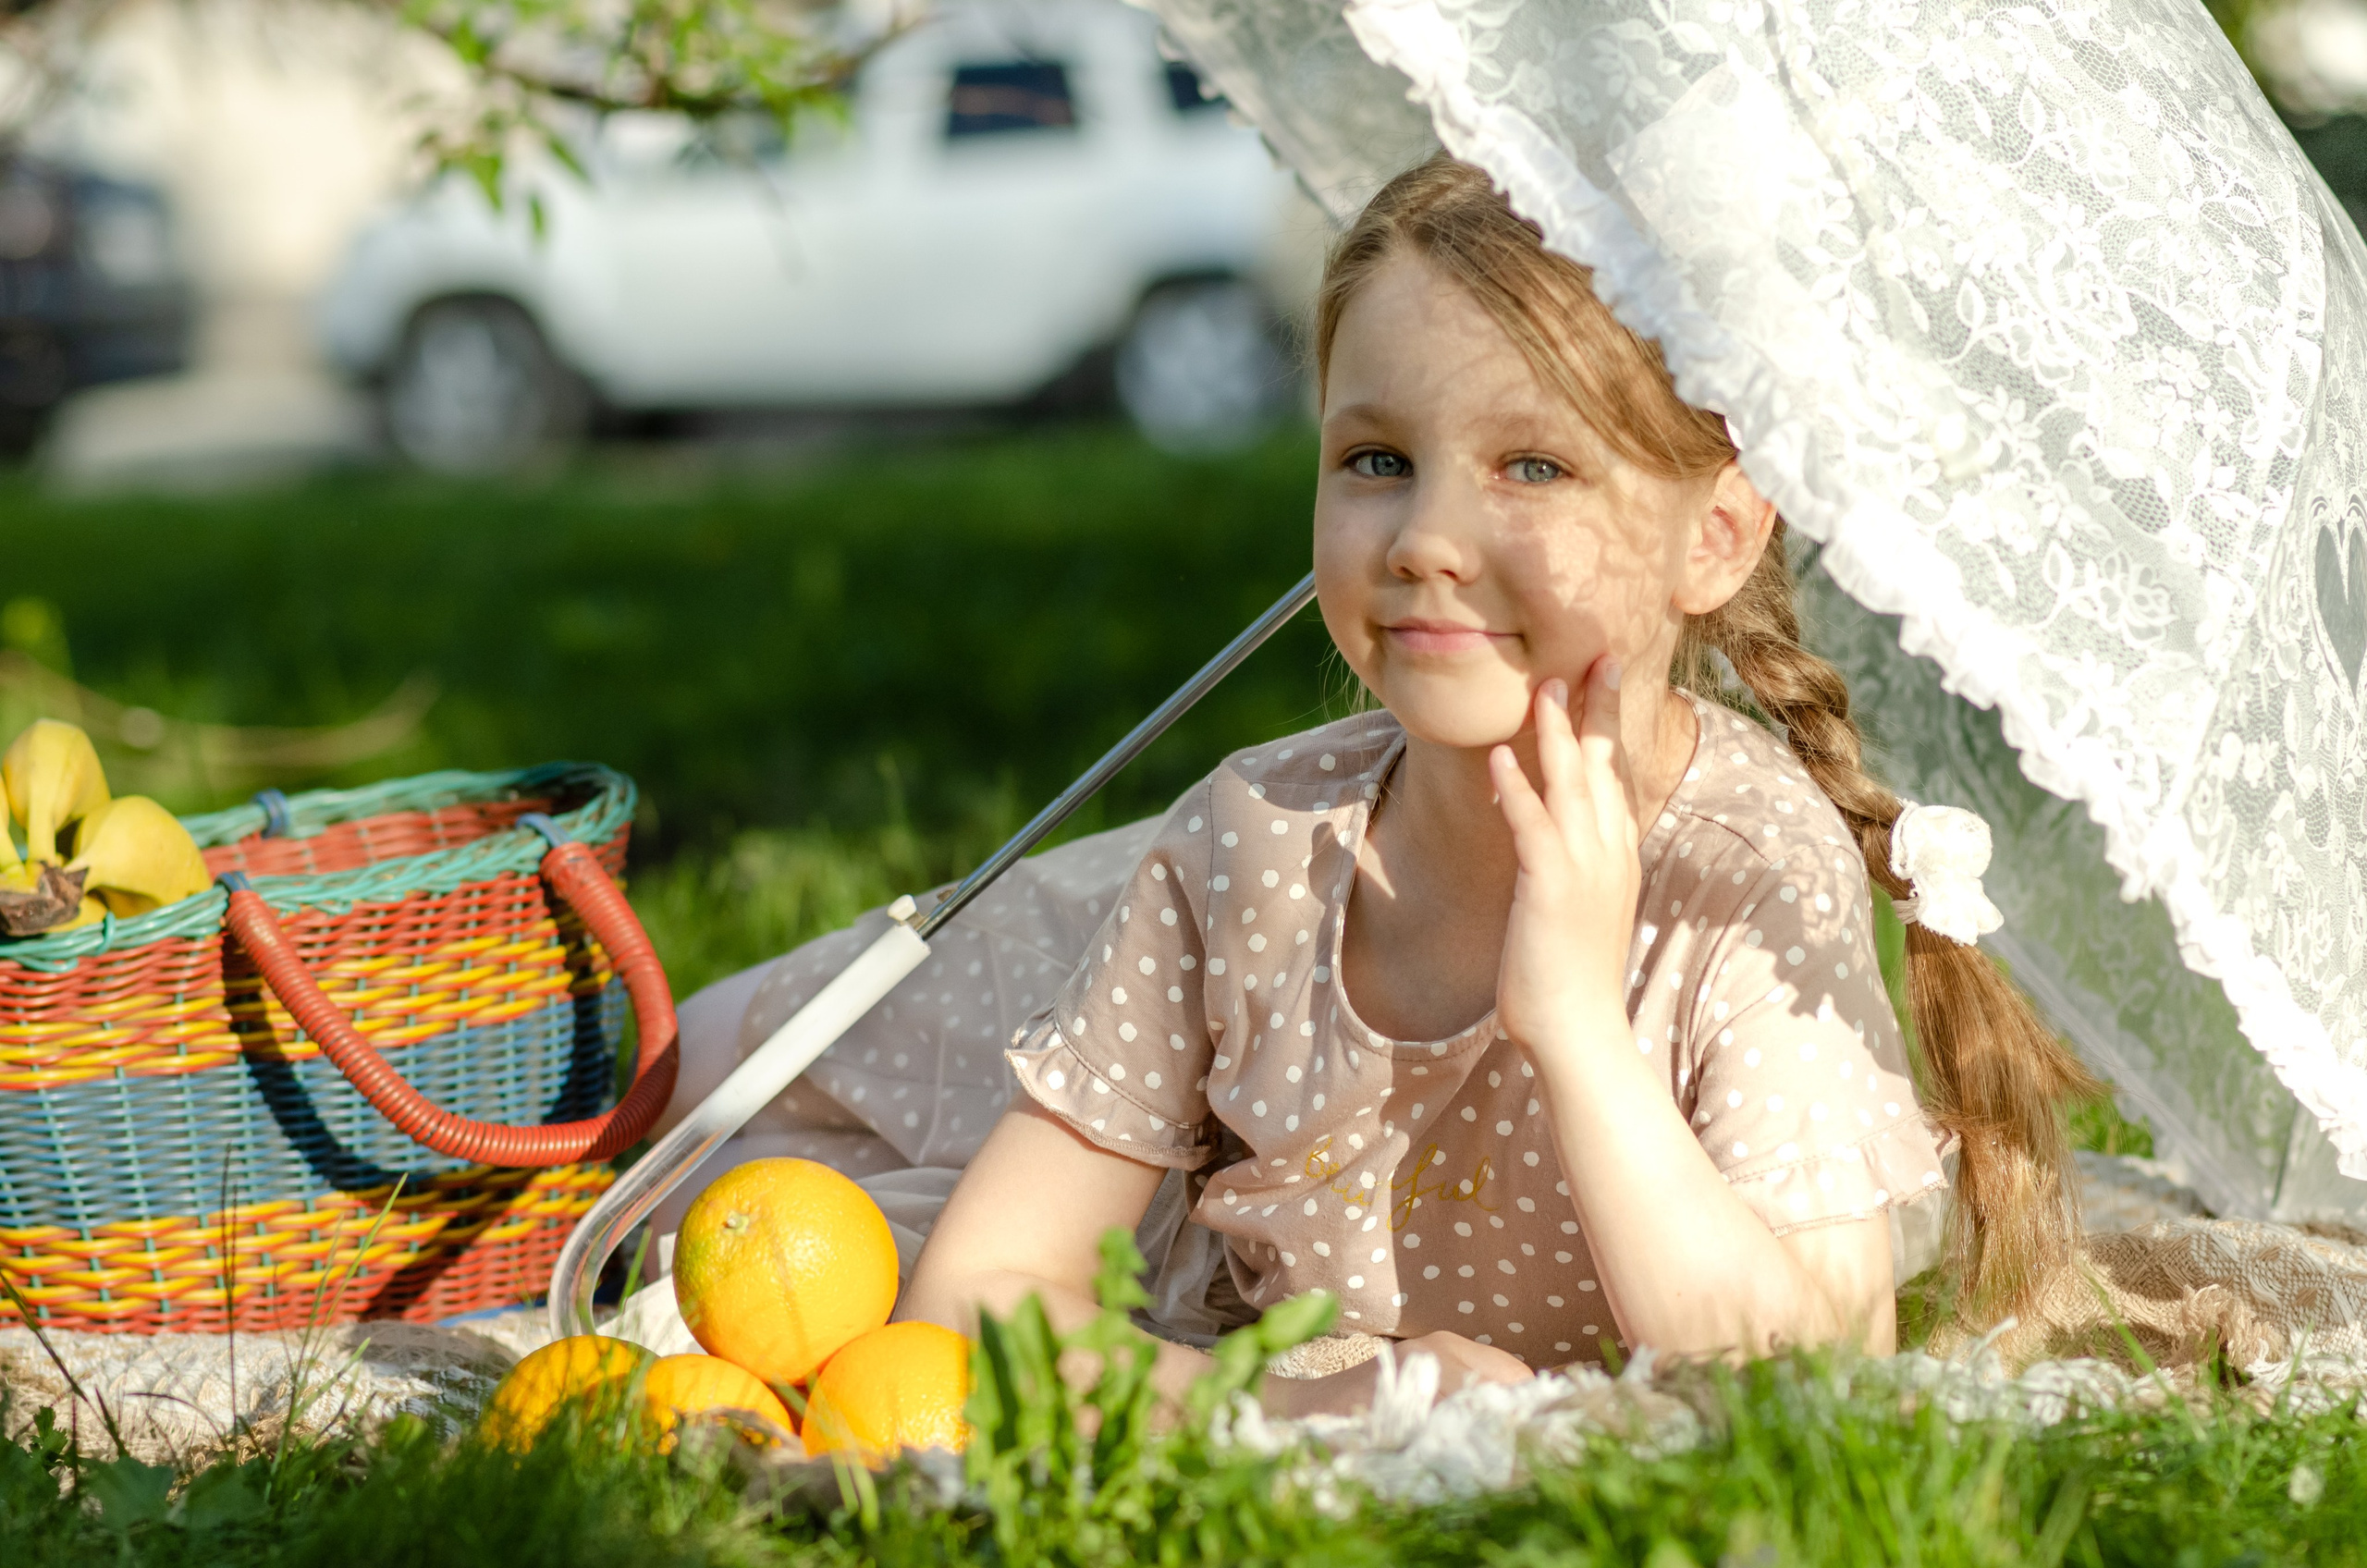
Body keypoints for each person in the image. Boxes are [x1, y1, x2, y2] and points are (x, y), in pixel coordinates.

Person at [878, 154, 2100, 1417]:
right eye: (1376, 460)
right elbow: (976, 1290)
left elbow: (1812, 1373)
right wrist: (1305, 1407)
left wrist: (1575, 1022)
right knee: (775, 1063)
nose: (1422, 542)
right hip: (1167, 1206)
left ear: (1717, 537)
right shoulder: (1255, 845)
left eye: (1533, 467)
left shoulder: (1740, 880)